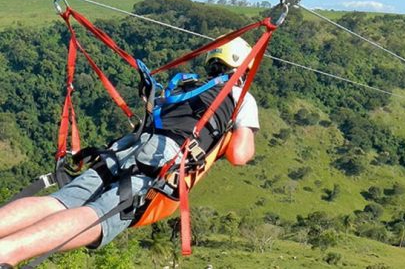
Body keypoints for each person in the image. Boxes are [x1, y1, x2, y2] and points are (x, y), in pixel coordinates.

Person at [0, 37, 259, 267]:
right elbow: (240, 154)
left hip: (127, 146)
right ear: (243, 69)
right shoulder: (240, 96)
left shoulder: (188, 86)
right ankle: (8, 251)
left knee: (61, 200)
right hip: (161, 158)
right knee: (101, 216)